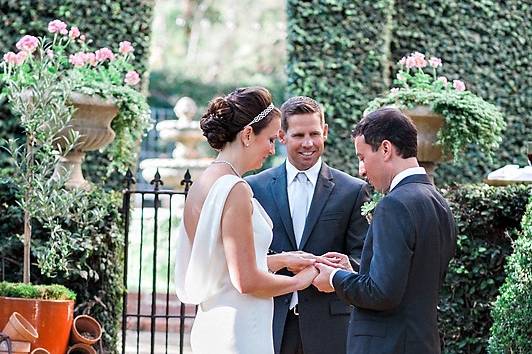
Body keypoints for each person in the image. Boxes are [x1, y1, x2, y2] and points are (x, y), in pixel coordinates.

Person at [174, 87, 318, 354]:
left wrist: (284, 259)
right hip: (240, 330)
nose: (273, 149)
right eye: (271, 139)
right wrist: (301, 281)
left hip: (213, 322)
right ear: (248, 134)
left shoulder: (203, 182)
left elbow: (223, 267)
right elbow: (245, 281)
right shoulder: (236, 190)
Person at [312, 107, 457, 354]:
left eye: (362, 157)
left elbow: (381, 294)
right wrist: (354, 272)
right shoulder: (438, 202)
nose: (361, 170)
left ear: (386, 149)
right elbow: (408, 282)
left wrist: (334, 278)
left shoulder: (394, 205)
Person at [246, 96, 370, 354]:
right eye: (298, 135)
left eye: (314, 133)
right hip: (271, 321)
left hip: (331, 326)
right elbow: (248, 255)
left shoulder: (353, 190)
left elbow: (364, 257)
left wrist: (338, 269)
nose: (308, 143)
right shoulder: (254, 188)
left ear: (325, 132)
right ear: (282, 136)